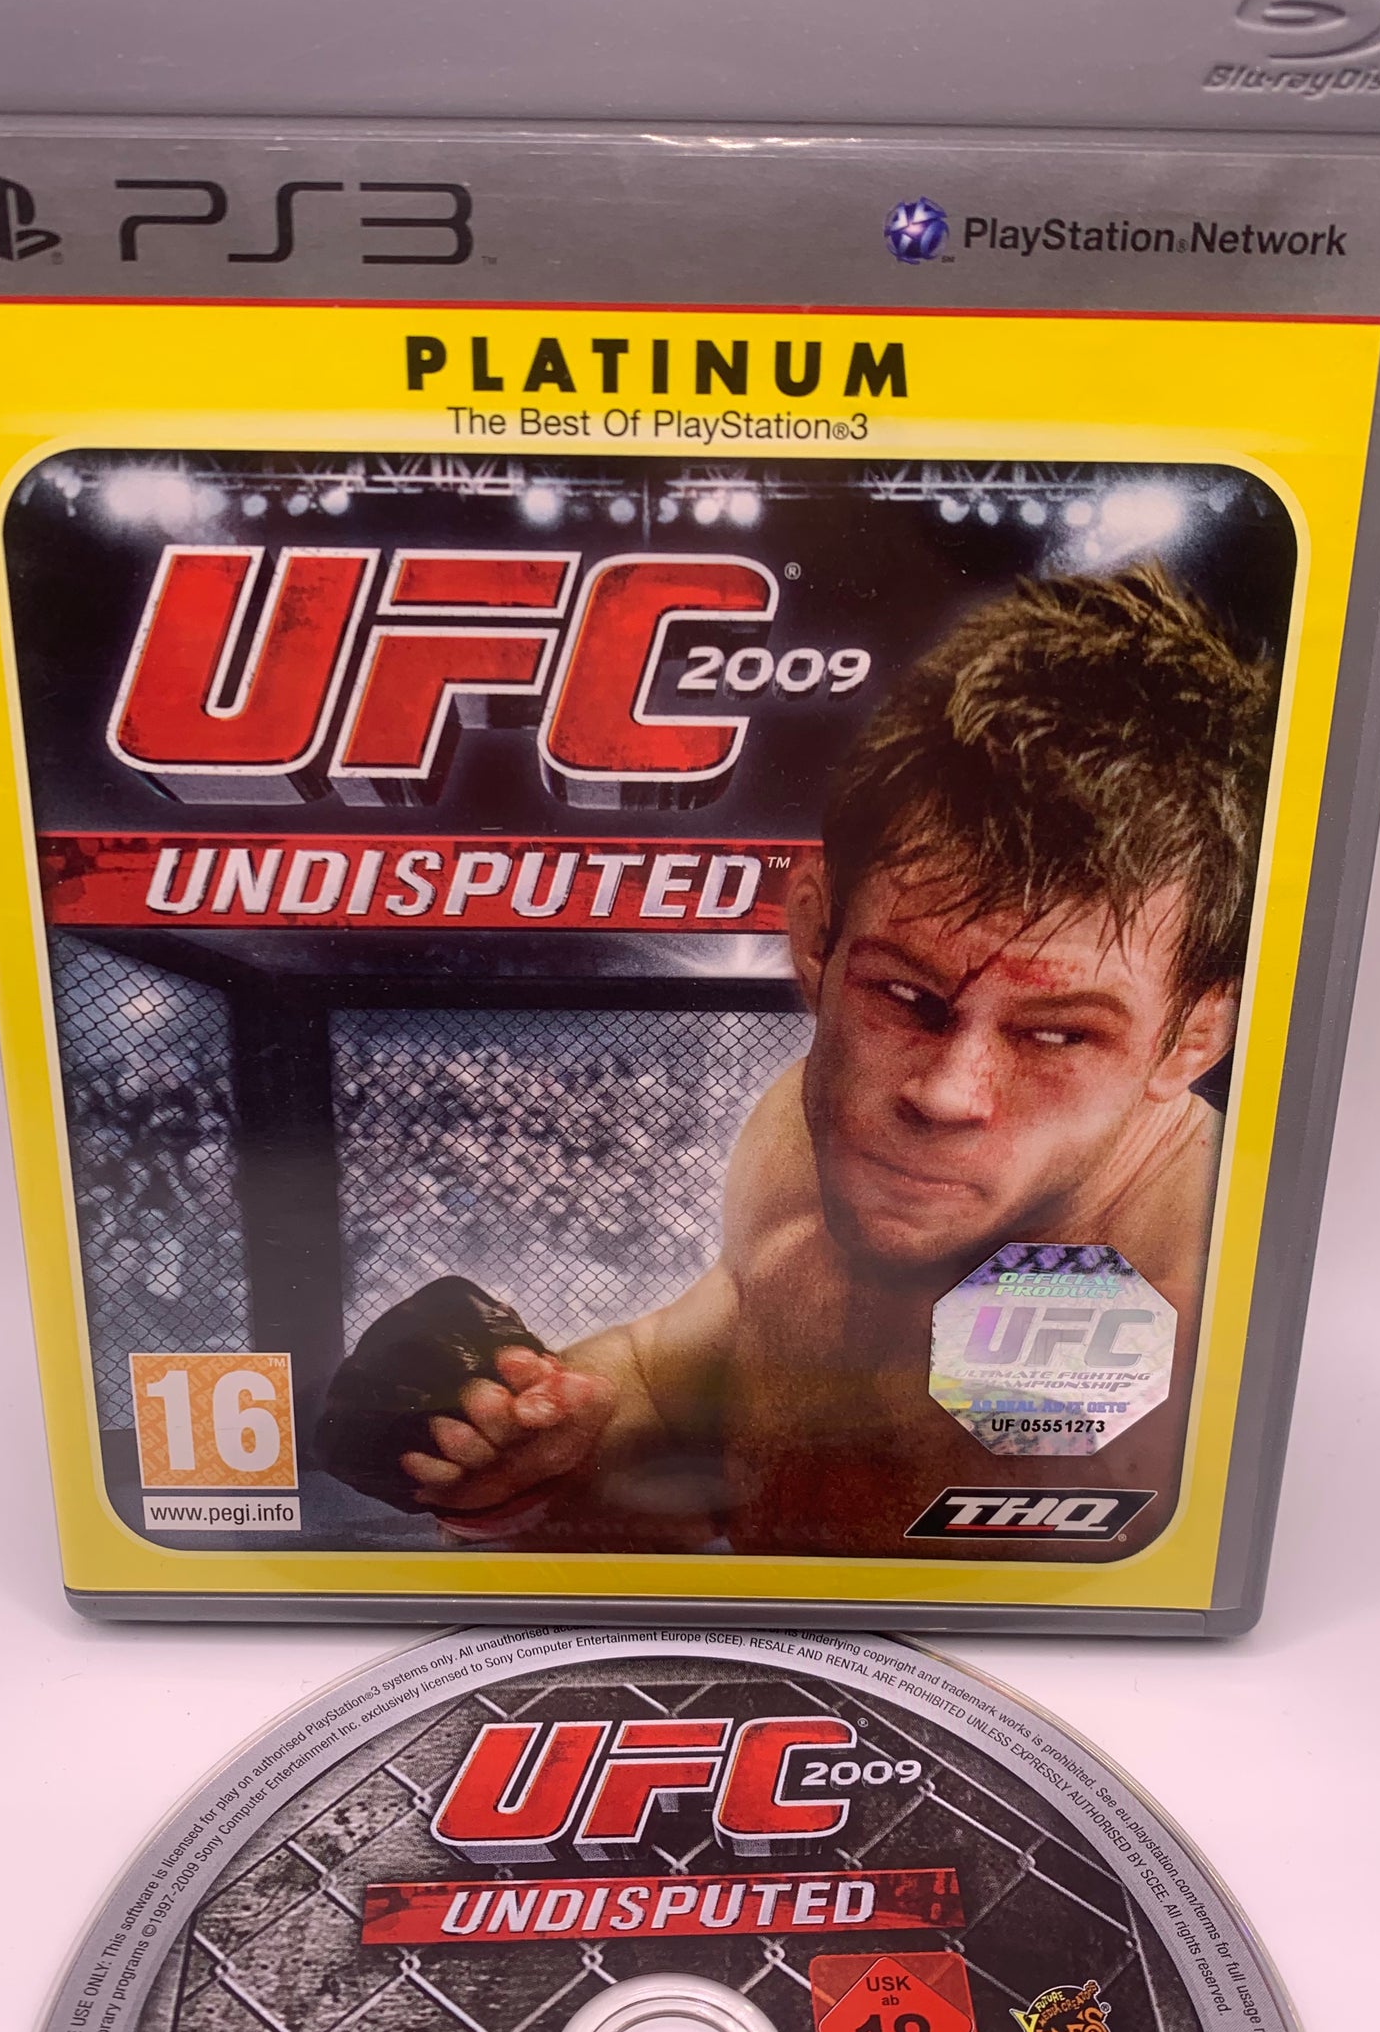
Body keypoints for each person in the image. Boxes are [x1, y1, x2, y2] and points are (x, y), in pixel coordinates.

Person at [394, 561, 1277, 1557]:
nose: (943, 1093)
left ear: (1191, 1039)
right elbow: (677, 1388)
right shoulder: (805, 1140)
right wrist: (552, 1445)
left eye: (1057, 1033)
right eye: (906, 997)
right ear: (814, 933)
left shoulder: (1205, 1319)